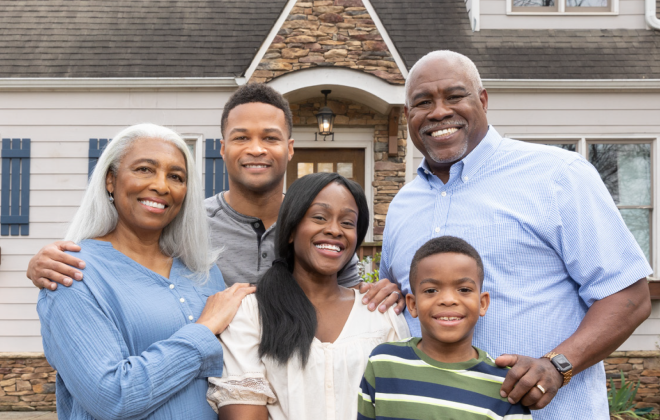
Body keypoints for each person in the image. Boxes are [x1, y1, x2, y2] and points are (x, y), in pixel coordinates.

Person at [379, 50, 653, 419]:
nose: (439, 112)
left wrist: (557, 366)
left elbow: (629, 297)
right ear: (409, 115)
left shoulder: (558, 176)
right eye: (422, 102)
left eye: (455, 96)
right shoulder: (401, 207)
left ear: (484, 100)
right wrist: (387, 293)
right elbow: (399, 307)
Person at [26, 83, 404, 315]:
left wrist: (381, 294)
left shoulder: (319, 229)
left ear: (290, 149)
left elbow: (350, 299)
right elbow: (127, 256)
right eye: (242, 137)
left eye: (270, 138)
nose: (256, 149)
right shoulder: (184, 222)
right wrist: (48, 261)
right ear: (222, 149)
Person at [37, 123, 255, 420]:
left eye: (176, 177)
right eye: (144, 169)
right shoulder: (72, 274)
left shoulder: (202, 271)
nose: (162, 186)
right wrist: (204, 330)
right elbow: (111, 397)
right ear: (110, 180)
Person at [206, 172, 410, 420]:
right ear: (291, 230)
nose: (334, 230)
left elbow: (398, 407)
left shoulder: (381, 315)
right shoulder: (251, 314)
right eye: (319, 217)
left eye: (347, 223)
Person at [358, 236, 531, 420]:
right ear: (412, 304)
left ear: (483, 303)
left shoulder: (504, 386)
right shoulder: (384, 363)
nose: (448, 300)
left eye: (464, 289)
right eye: (431, 290)